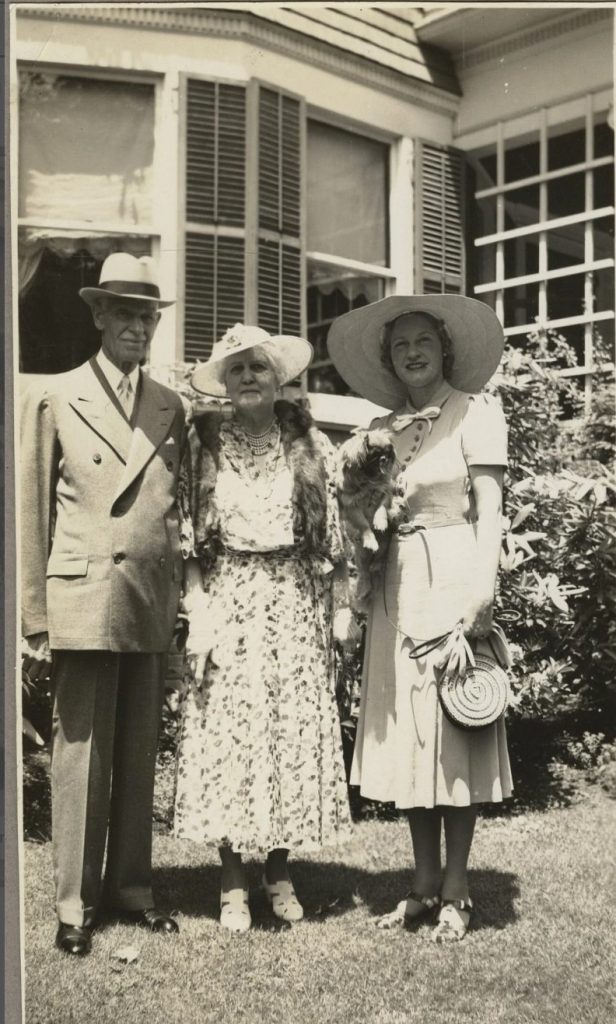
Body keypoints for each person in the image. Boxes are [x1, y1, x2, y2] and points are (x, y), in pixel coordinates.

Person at [327, 294, 513, 942]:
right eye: (400, 344)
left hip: (454, 577)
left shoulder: (476, 414)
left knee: (453, 729)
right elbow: (358, 512)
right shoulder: (381, 430)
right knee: (408, 732)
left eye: (422, 341)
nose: (412, 352)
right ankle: (421, 883)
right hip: (395, 588)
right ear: (389, 359)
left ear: (445, 350)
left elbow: (489, 510)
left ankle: (458, 889)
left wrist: (483, 593)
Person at [20, 253, 186, 956]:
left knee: (139, 752)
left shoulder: (168, 405)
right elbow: (29, 513)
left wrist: (180, 604)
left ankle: (132, 888)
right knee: (81, 756)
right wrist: (33, 616)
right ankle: (74, 904)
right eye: (122, 312)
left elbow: (176, 514)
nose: (135, 326)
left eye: (145, 315)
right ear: (97, 316)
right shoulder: (56, 395)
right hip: (82, 593)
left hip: (147, 600)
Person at [174, 322, 352, 932]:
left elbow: (335, 539)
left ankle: (278, 869)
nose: (249, 377)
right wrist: (197, 611)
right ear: (224, 383)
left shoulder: (311, 444)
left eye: (258, 367)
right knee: (228, 732)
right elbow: (189, 541)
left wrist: (340, 608)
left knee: (286, 732)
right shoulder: (202, 446)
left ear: (279, 378)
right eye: (238, 369)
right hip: (228, 598)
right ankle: (229, 878)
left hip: (294, 603)